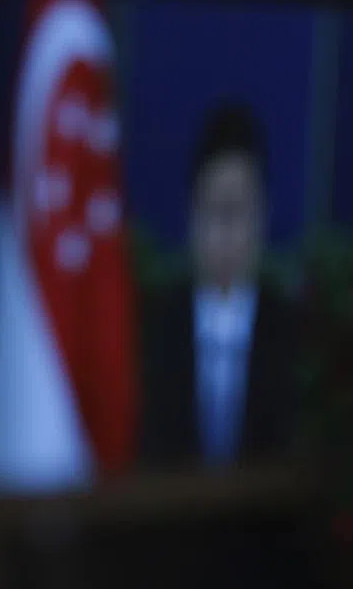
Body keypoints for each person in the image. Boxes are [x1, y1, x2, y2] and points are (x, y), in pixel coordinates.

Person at [138, 103, 300, 467]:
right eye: (214, 211)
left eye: (238, 211)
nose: (226, 234)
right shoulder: (157, 327)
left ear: (263, 217)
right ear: (191, 217)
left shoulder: (293, 331)